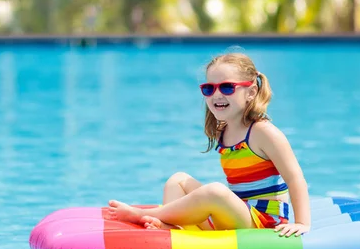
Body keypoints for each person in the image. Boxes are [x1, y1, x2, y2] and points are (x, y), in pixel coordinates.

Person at [107, 52, 311, 237]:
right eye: (209, 88)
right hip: (237, 212)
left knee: (215, 191)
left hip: (263, 221)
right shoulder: (224, 130)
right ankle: (170, 225)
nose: (217, 95)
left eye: (227, 87)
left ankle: (143, 214)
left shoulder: (263, 132)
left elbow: (295, 178)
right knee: (177, 180)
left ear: (251, 92)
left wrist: (302, 223)